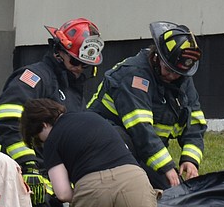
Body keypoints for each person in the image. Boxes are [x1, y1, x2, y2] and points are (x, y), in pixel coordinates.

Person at [0, 18, 104, 207]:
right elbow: (7, 119)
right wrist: (28, 164)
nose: (80, 69)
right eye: (75, 61)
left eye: (85, 65)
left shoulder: (73, 86)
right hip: (29, 174)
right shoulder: (35, 78)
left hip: (56, 179)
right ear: (58, 52)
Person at [21, 99, 157, 207]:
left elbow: (62, 193)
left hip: (92, 187)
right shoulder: (94, 118)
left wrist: (82, 198)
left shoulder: (52, 141)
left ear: (43, 125)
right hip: (133, 180)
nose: (40, 144)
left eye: (37, 139)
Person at [87, 20, 206, 189]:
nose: (173, 77)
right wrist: (166, 166)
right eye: (169, 70)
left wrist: (190, 159)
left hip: (143, 151)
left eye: (179, 73)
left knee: (173, 192)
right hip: (108, 146)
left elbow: (195, 121)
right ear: (157, 57)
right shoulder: (135, 76)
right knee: (144, 190)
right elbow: (140, 129)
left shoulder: (182, 76)